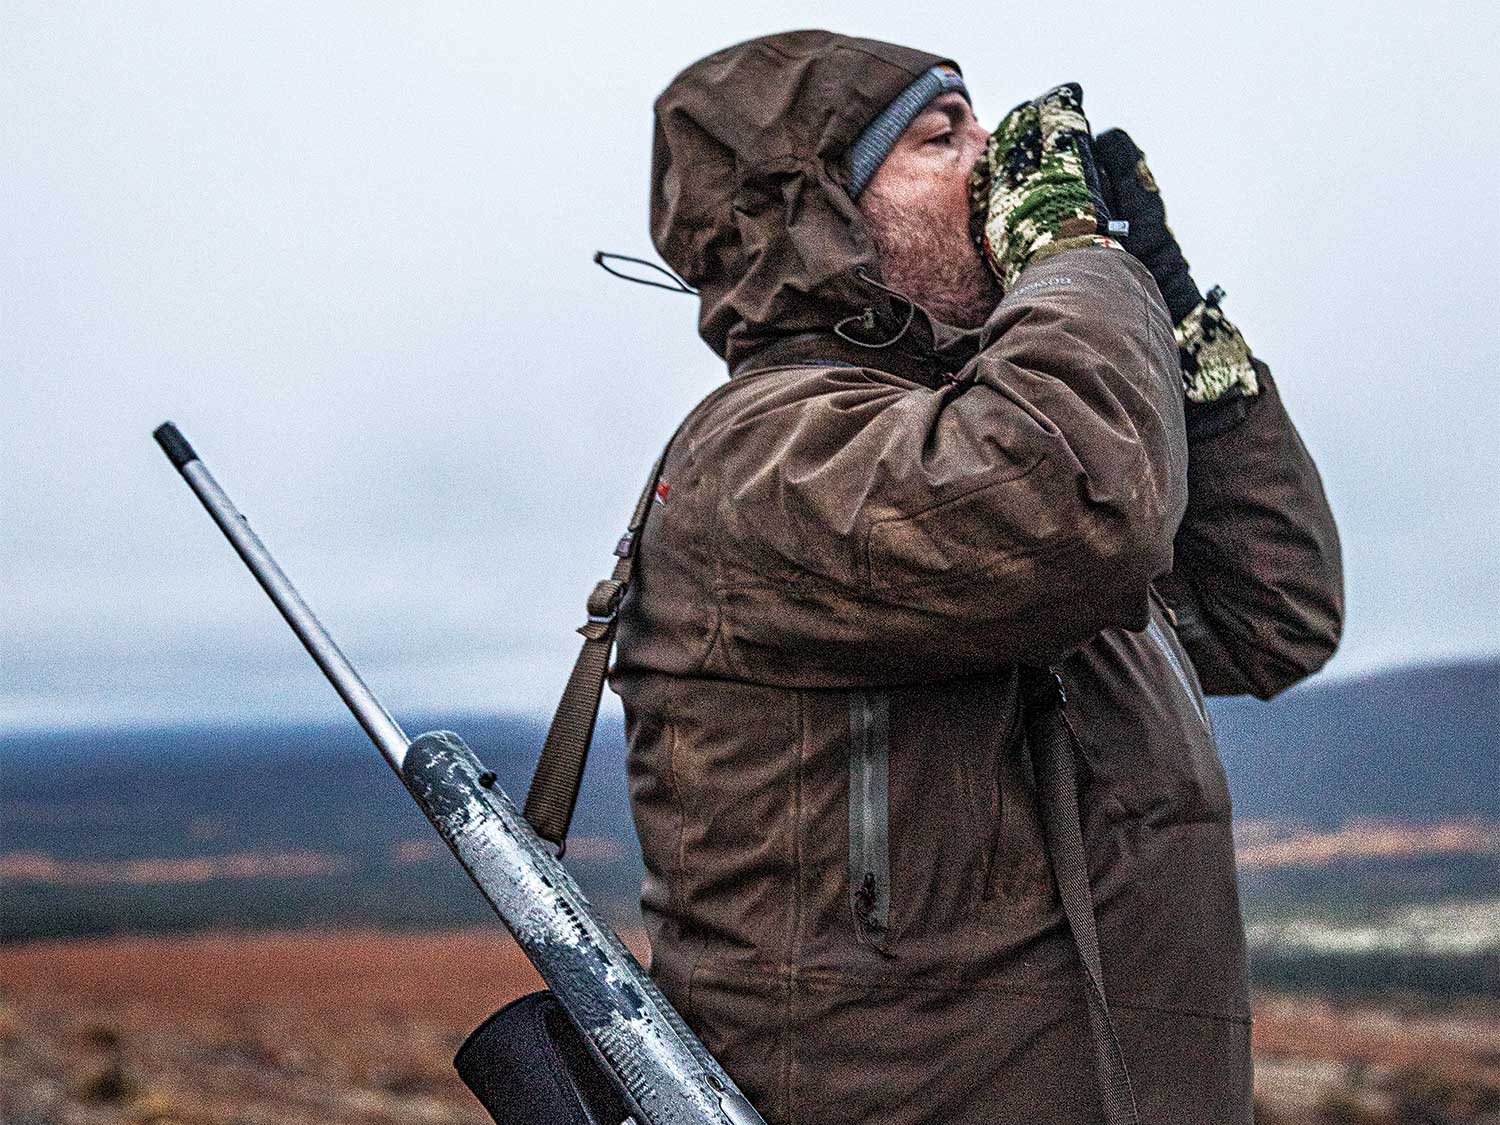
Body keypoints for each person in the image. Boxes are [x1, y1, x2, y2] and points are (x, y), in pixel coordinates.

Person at [607, 29, 1343, 1124]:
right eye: (942, 137)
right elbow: (1073, 513)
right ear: (817, 214)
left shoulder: (986, 452)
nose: (997, 165)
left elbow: (1267, 613)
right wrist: (1075, 258)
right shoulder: (767, 459)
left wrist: (1181, 329)